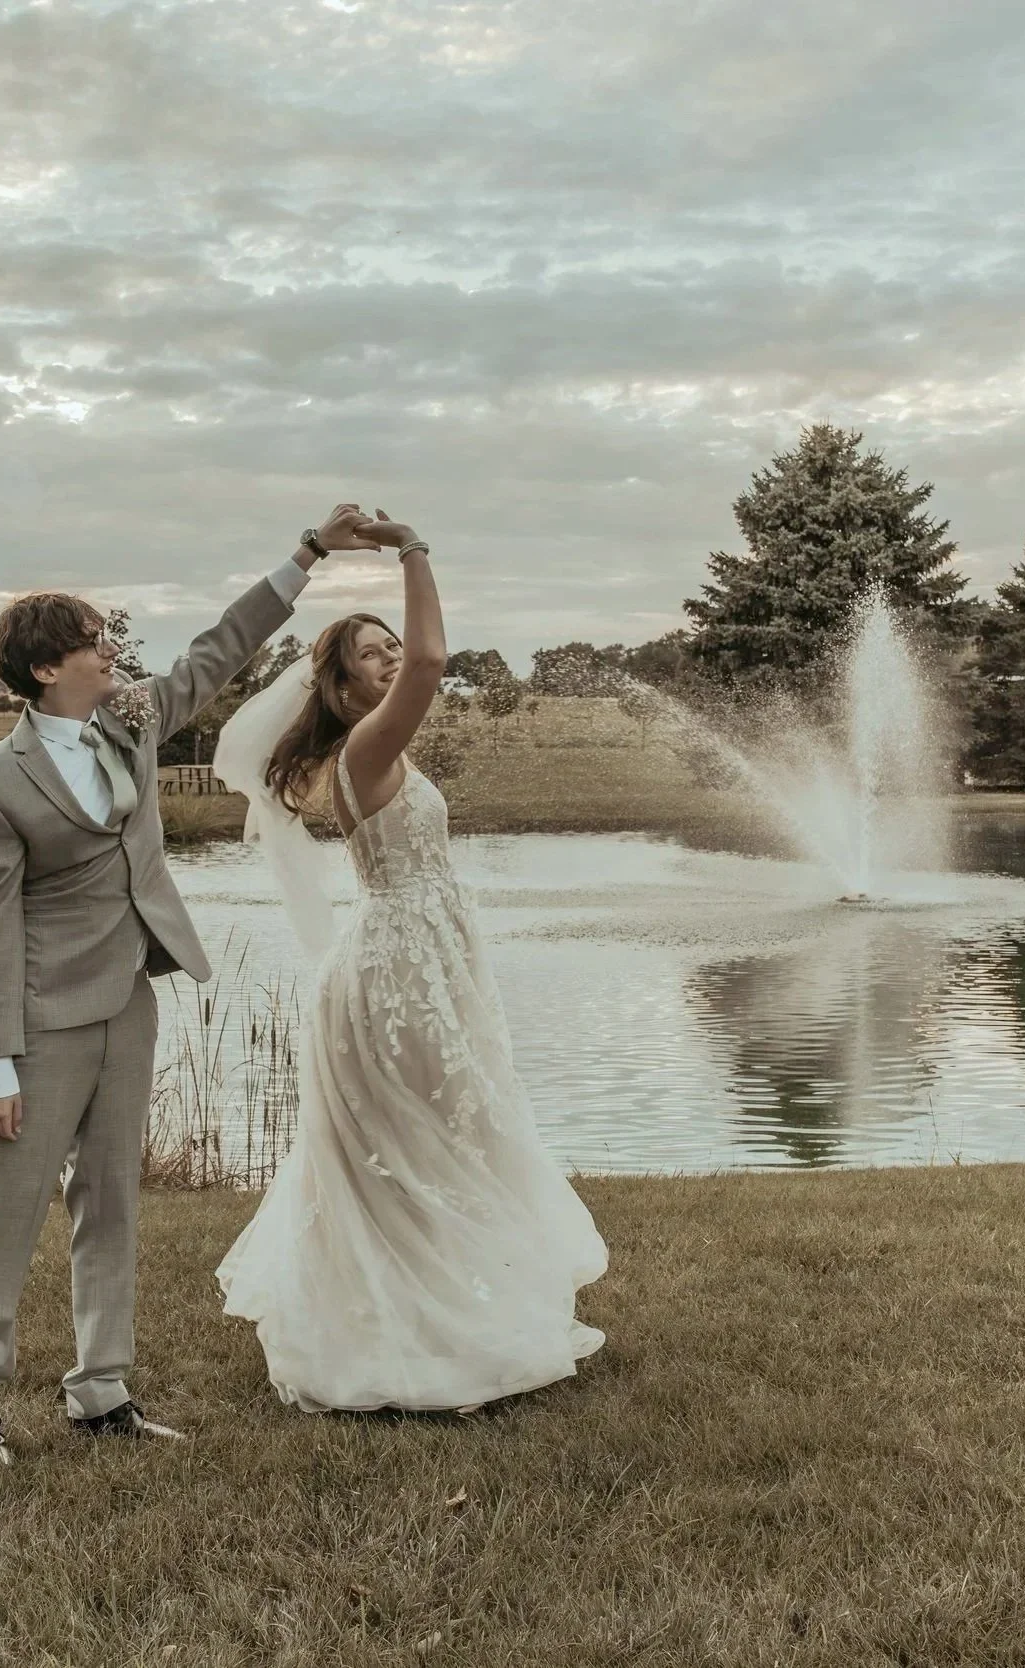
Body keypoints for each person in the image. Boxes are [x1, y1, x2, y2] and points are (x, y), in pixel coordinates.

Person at [0, 505, 375, 1472]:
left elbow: (217, 654)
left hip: (130, 1000)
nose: (110, 653)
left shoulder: (130, 719)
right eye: (93, 644)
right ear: (46, 668)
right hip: (41, 1021)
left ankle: (102, 1393)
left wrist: (306, 557)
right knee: (11, 1211)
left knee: (113, 1201)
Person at [212, 514, 608, 1412]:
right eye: (374, 651)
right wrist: (413, 548)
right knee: (432, 1145)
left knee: (438, 1145)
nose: (395, 656)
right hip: (397, 979)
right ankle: (422, 1336)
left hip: (415, 964)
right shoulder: (366, 746)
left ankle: (437, 1317)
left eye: (393, 643)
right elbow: (435, 663)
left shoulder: (373, 749)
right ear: (343, 682)